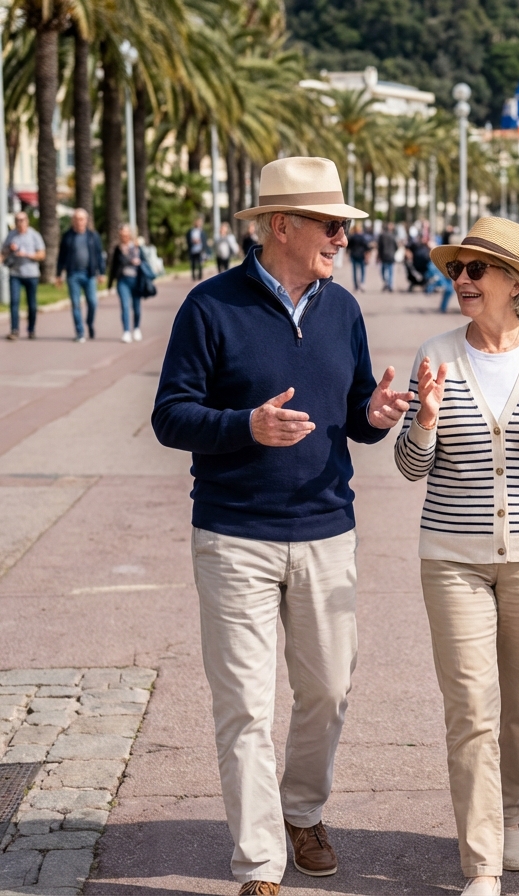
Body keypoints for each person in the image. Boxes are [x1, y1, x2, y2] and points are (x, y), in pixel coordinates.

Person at [151, 156, 412, 896]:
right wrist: (245, 427)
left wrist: (377, 415)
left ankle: (302, 810)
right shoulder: (209, 307)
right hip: (234, 536)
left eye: (345, 226)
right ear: (280, 227)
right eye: (332, 225)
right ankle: (260, 863)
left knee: (328, 689)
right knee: (244, 707)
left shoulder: (344, 309)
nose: (343, 237)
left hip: (328, 531)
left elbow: (357, 412)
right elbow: (170, 416)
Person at [395, 217, 519, 896]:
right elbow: (409, 466)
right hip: (451, 558)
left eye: (478, 270)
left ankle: (511, 818)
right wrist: (421, 422)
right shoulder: (437, 353)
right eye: (458, 270)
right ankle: (481, 861)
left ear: (515, 284)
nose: (463, 281)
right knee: (471, 707)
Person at [55, 209, 106, 343]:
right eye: (76, 219)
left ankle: (89, 323)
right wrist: (58, 274)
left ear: (86, 220)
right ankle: (80, 332)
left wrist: (102, 273)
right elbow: (61, 256)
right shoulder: (68, 236)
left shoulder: (92, 236)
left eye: (82, 219)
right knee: (76, 304)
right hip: (73, 274)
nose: (79, 221)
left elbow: (99, 255)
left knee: (93, 303)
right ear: (73, 221)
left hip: (89, 274)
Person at [4, 211, 46, 340]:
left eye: (22, 220)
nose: (19, 222)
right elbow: (3, 252)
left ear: (27, 221)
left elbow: (42, 255)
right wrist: (10, 250)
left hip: (31, 274)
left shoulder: (34, 235)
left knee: (32, 305)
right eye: (17, 220)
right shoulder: (11, 235)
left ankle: (31, 330)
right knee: (14, 303)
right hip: (15, 273)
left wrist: (27, 254)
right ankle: (14, 330)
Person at [107, 224, 146, 343]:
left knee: (137, 307)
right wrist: (110, 284)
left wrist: (139, 262)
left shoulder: (136, 247)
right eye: (122, 234)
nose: (124, 236)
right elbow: (113, 267)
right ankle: (126, 331)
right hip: (122, 281)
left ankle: (136, 328)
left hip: (136, 280)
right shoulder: (117, 249)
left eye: (126, 234)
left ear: (130, 234)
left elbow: (145, 261)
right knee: (124, 306)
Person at [346, 224, 374, 291]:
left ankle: (356, 285)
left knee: (355, 271)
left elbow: (348, 246)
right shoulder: (362, 237)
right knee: (362, 270)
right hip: (361, 255)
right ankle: (362, 283)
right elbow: (367, 247)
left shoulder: (352, 237)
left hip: (353, 255)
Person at [375, 222, 399, 292]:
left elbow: (379, 247)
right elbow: (396, 246)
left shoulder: (382, 235)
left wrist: (378, 255)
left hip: (384, 255)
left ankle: (386, 283)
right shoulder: (393, 236)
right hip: (391, 255)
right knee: (390, 271)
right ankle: (390, 285)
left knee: (383, 271)